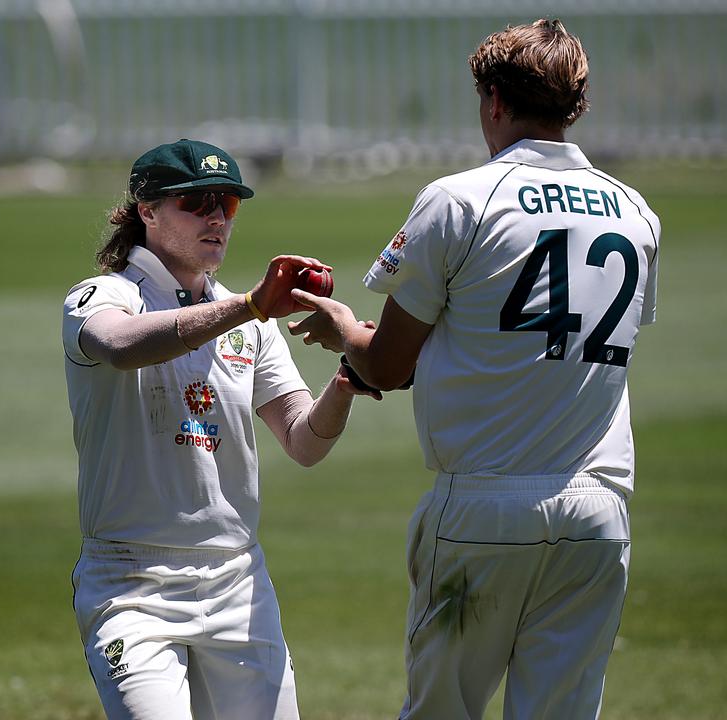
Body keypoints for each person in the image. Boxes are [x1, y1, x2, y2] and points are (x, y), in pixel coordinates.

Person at [288, 19, 661, 720]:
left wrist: (344, 330)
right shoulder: (636, 212)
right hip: (598, 514)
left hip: (484, 507)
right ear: (574, 106)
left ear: (493, 100)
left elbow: (390, 366)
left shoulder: (460, 198)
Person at [62, 138, 377, 719]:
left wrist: (349, 379)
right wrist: (251, 305)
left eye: (228, 205)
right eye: (197, 202)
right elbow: (120, 346)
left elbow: (304, 440)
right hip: (131, 582)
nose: (216, 218)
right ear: (146, 210)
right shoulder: (103, 296)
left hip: (238, 579)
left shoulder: (248, 317)